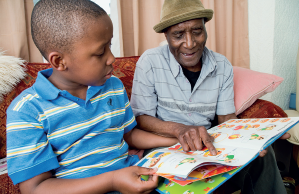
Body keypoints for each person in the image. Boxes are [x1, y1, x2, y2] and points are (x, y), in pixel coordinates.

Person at [6, 1, 178, 194]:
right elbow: (35, 189)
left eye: (110, 46)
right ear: (59, 61)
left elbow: (128, 135)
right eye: (100, 52)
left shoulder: (113, 86)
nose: (112, 58)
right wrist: (112, 181)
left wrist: (175, 141)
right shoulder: (27, 111)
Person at [131, 0, 289, 193]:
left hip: (208, 144)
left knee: (264, 156)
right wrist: (179, 129)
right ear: (166, 35)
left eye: (197, 31)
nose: (189, 44)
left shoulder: (221, 65)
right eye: (178, 35)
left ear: (205, 28)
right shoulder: (149, 62)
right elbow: (141, 118)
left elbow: (226, 119)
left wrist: (249, 140)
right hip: (165, 147)